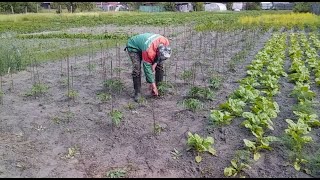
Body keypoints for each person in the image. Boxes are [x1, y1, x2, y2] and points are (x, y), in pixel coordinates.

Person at [124, 33, 172, 102]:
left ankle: (159, 88)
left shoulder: (165, 41)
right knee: (136, 69)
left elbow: (159, 58)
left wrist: (155, 64)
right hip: (134, 46)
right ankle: (137, 93)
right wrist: (153, 85)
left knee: (160, 65)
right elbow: (147, 69)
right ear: (157, 51)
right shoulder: (149, 51)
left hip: (145, 45)